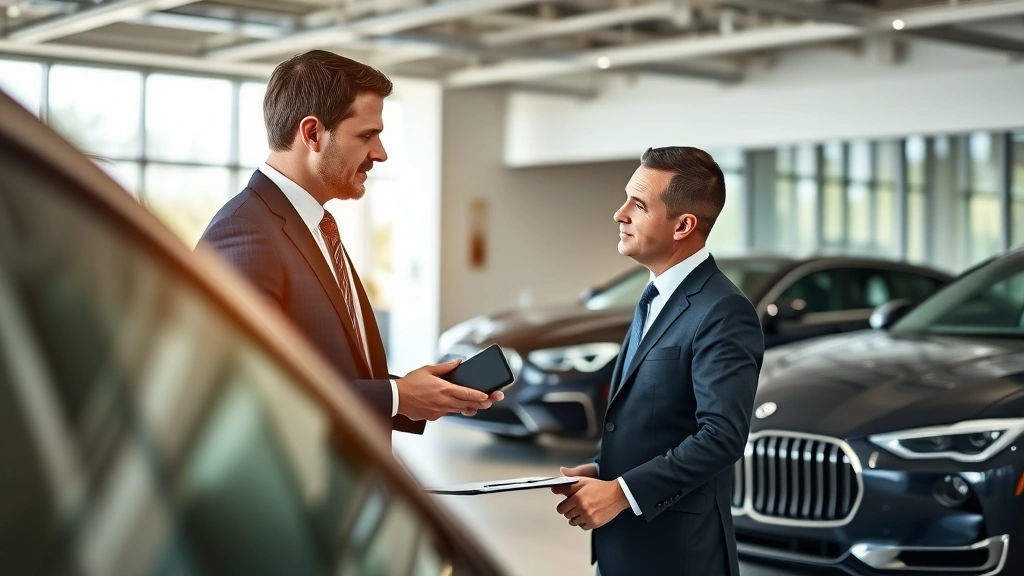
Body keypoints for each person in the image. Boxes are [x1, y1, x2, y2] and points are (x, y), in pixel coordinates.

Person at [199, 50, 500, 439]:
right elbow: (249, 389)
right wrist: (395, 397)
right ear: (312, 134)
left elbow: (330, 372)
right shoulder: (244, 233)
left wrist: (412, 393)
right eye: (366, 135)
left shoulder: (313, 225)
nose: (381, 153)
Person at [552, 147, 763, 576]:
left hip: (677, 554)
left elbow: (722, 436)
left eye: (639, 204)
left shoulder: (723, 310)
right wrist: (601, 469)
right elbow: (657, 419)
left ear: (683, 225)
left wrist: (621, 492)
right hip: (624, 546)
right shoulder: (652, 297)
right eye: (626, 198)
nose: (619, 213)